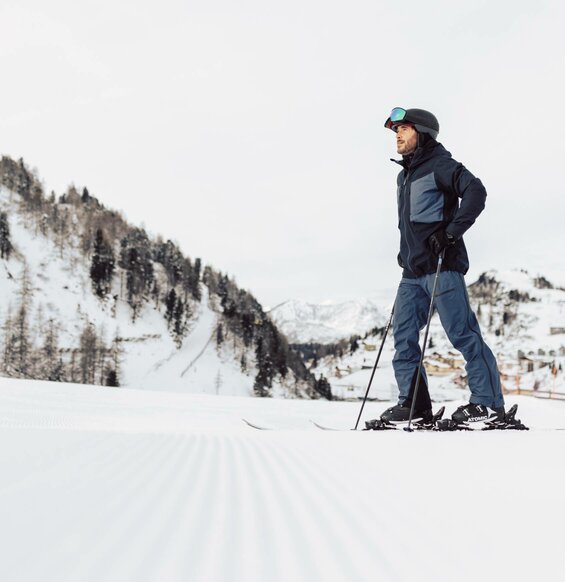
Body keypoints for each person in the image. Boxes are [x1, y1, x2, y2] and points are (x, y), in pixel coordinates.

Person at [380, 107, 505, 425]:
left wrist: (451, 232)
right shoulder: (403, 175)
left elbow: (476, 191)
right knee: (404, 337)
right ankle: (414, 405)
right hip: (411, 272)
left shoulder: (441, 165)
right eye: (396, 130)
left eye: (404, 129)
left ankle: (487, 404)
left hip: (442, 266)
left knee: (462, 333)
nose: (398, 135)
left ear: (421, 133)